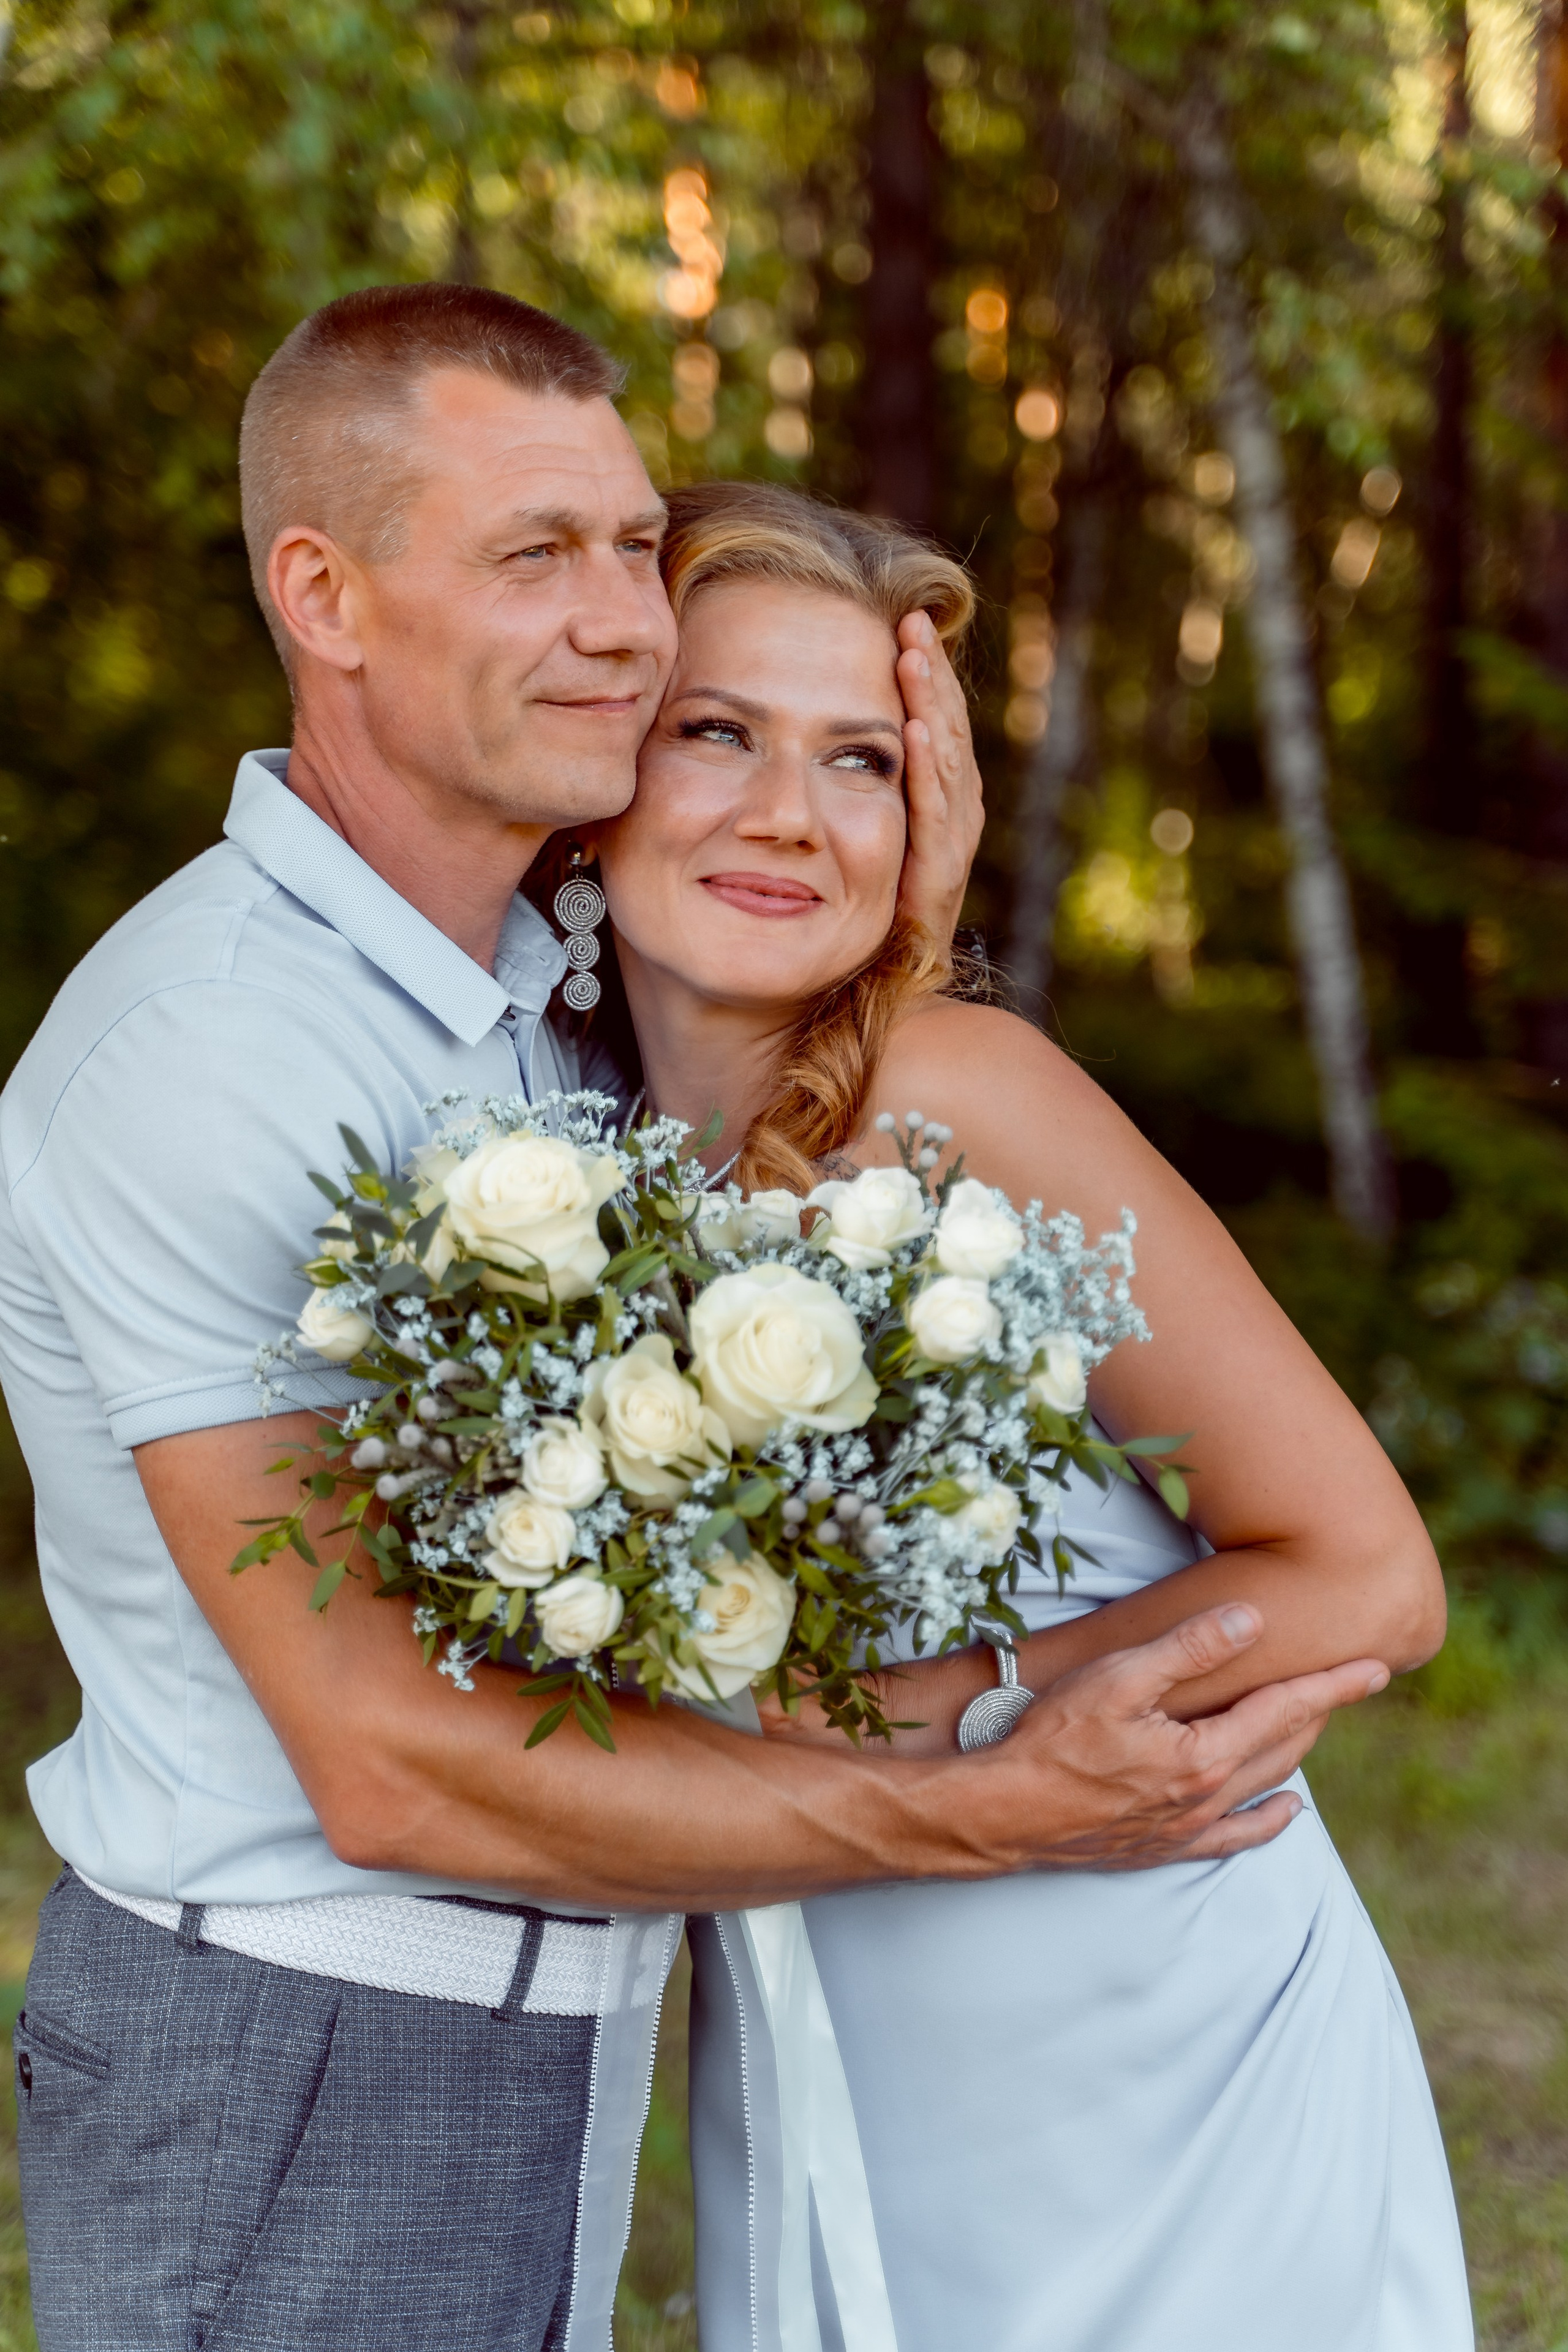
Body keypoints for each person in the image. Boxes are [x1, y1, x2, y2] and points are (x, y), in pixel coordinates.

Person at [0, 284, 1382, 2352]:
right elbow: (389, 1757)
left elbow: (1360, 1572)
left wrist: (889, 941)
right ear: (328, 594)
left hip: (1009, 1975)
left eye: (636, 549)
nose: (621, 626)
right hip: (346, 2030)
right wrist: (962, 1786)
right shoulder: (232, 1048)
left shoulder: (546, 1033)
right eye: (715, 728)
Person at [578, 478, 1474, 2351]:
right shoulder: (550, 1152)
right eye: (716, 733)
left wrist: (891, 1713)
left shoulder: (966, 1091)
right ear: (601, 767)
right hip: (844, 2007)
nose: (782, 815)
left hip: (1157, 2011)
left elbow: (1372, 1582)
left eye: (859, 762)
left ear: (923, 820)